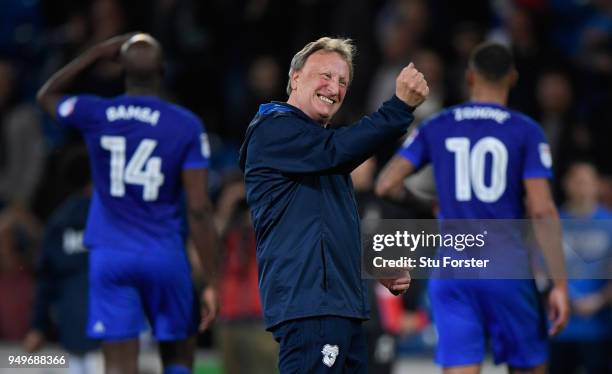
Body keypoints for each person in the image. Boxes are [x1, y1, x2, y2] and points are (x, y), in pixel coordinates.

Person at [376, 42, 570, 374]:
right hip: (507, 268)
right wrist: (560, 285)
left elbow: (386, 185)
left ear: (469, 77)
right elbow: (541, 210)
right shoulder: (526, 130)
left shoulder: (437, 125)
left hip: (453, 271)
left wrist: (430, 204)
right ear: (512, 78)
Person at [238, 37, 429, 373]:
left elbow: (324, 227)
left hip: (338, 308)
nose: (334, 87)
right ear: (295, 77)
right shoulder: (274, 128)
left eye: (343, 81)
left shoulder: (315, 150)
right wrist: (398, 108)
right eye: (324, 75)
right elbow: (338, 149)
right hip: (312, 308)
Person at [36, 33, 218, 374]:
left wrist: (93, 53)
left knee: (119, 365)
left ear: (121, 69)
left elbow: (47, 95)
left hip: (112, 254)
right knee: (178, 355)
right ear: (163, 70)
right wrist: (210, 280)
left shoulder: (97, 113)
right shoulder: (185, 125)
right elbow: (199, 208)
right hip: (164, 253)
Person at [23, 147, 101, 374]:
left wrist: (38, 327)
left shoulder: (58, 221)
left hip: (72, 335)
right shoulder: (112, 218)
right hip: (112, 333)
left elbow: (46, 280)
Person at [550, 161, 612, 374]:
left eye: (586, 181)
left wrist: (599, 300)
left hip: (599, 328)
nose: (581, 187)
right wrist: (565, 297)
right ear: (566, 184)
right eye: (576, 181)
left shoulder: (609, 223)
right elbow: (539, 269)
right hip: (560, 328)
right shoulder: (552, 222)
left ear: (597, 185)